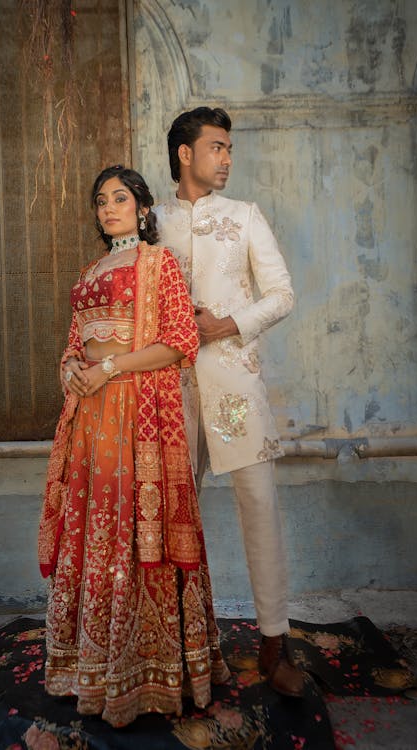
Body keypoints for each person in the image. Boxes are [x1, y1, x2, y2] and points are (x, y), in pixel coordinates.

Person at [37, 165, 230, 727]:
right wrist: (72, 366)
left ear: (143, 208)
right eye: (100, 201)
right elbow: (74, 343)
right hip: (91, 419)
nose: (108, 208)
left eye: (119, 198)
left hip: (135, 414)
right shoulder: (91, 269)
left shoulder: (158, 263)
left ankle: (150, 669)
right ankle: (88, 666)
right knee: (97, 528)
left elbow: (178, 340)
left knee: (133, 528)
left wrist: (110, 368)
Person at [154, 108, 305, 697]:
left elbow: (283, 293)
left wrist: (229, 324)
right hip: (168, 392)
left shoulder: (244, 218)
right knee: (168, 515)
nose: (227, 158)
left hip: (232, 391)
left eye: (229, 149)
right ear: (185, 154)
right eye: (217, 147)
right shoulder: (154, 221)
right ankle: (173, 641)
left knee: (259, 505)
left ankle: (275, 642)